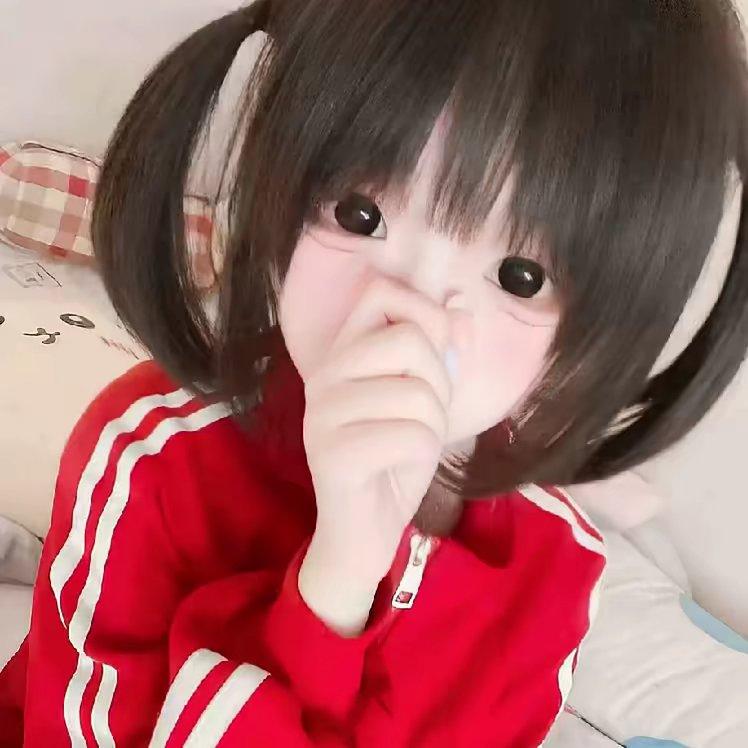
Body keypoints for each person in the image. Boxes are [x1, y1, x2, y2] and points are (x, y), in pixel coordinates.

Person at [2, 0, 747, 745]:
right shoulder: (152, 460)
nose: (406, 315)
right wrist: (336, 585)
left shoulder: (558, 566)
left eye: (520, 277)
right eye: (359, 214)